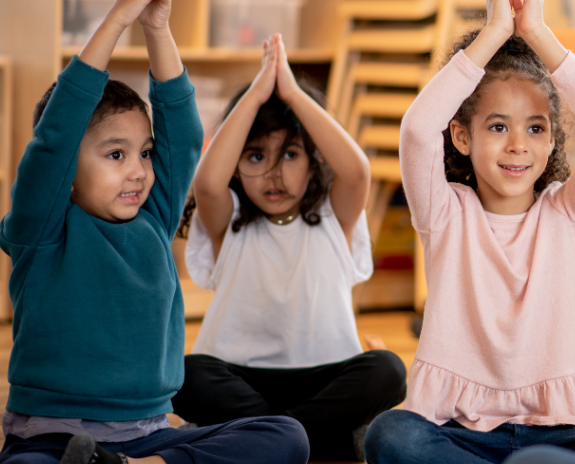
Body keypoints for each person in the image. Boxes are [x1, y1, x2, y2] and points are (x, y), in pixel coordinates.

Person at [0, 0, 309, 464]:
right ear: (66, 173)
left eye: (142, 153)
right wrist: (118, 17)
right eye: (115, 154)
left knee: (286, 438)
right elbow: (53, 141)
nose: (139, 170)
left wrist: (157, 29)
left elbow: (182, 134)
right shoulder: (41, 228)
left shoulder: (153, 218)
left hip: (149, 438)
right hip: (49, 441)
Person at [363, 0, 575, 464]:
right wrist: (493, 34)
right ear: (462, 136)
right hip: (462, 435)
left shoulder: (569, 212)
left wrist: (538, 34)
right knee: (392, 435)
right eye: (498, 126)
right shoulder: (444, 213)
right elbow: (419, 131)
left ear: (552, 139)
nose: (517, 146)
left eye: (534, 129)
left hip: (560, 436)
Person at [170, 33, 407, 462]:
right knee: (183, 375)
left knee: (388, 370)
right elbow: (207, 182)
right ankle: (309, 438)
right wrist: (259, 92)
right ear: (237, 167)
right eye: (256, 157)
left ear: (314, 158)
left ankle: (260, 440)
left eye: (290, 154)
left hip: (323, 377)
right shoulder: (229, 221)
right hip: (240, 378)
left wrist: (293, 93)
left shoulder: (335, 218)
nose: (274, 174)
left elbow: (356, 171)